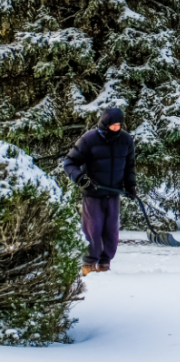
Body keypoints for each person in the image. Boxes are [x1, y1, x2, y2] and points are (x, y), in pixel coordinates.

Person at [63, 107, 137, 275]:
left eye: (119, 125)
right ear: (105, 124)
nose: (116, 128)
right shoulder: (89, 140)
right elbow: (69, 163)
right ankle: (89, 264)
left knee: (111, 232)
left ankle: (105, 264)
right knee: (93, 230)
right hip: (93, 193)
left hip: (113, 193)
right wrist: (81, 178)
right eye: (113, 125)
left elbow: (129, 165)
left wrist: (130, 185)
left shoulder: (125, 140)